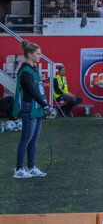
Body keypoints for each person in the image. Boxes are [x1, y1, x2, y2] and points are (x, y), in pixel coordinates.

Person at [14, 41, 54, 178]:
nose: (40, 56)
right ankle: (19, 169)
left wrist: (44, 105)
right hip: (29, 107)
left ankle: (31, 167)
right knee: (26, 139)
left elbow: (36, 89)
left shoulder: (33, 69)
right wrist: (46, 105)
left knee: (33, 140)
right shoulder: (25, 71)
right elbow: (31, 91)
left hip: (36, 107)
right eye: (38, 54)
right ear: (29, 54)